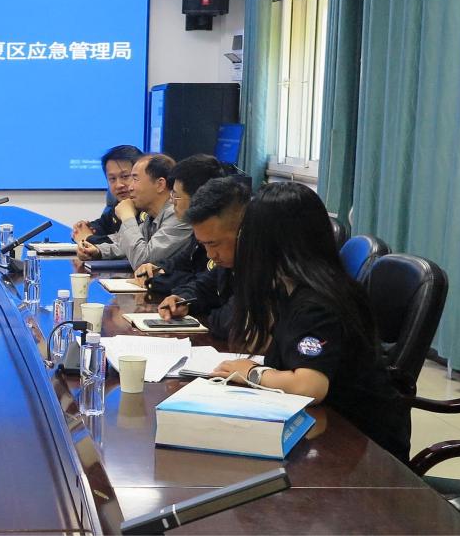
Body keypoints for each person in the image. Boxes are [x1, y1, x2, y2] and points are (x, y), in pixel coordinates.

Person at [210, 182, 411, 461]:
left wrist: (253, 374)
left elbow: (310, 387)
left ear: (269, 242)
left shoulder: (317, 303)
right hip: (329, 426)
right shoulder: (299, 286)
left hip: (358, 445)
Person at [155, 176, 250, 338]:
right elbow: (202, 287)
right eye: (204, 244)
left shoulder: (261, 265)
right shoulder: (227, 261)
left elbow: (229, 321)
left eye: (213, 244)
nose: (210, 255)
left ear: (242, 231)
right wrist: (182, 300)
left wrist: (212, 315)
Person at [76, 153, 191, 267]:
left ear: (159, 185)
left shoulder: (178, 215)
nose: (130, 187)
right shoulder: (151, 216)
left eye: (135, 179)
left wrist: (127, 217)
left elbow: (143, 261)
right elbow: (126, 245)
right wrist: (98, 251)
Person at [133, 154, 226, 292]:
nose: (171, 201)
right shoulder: (198, 231)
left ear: (198, 197)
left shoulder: (219, 232)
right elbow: (181, 261)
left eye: (176, 196)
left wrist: (158, 279)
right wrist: (156, 268)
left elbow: (202, 282)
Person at [72, 145, 143, 244]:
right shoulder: (117, 207)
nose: (119, 185)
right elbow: (101, 226)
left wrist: (88, 238)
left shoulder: (148, 210)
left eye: (125, 176)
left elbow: (126, 243)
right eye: (112, 179)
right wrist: (84, 229)